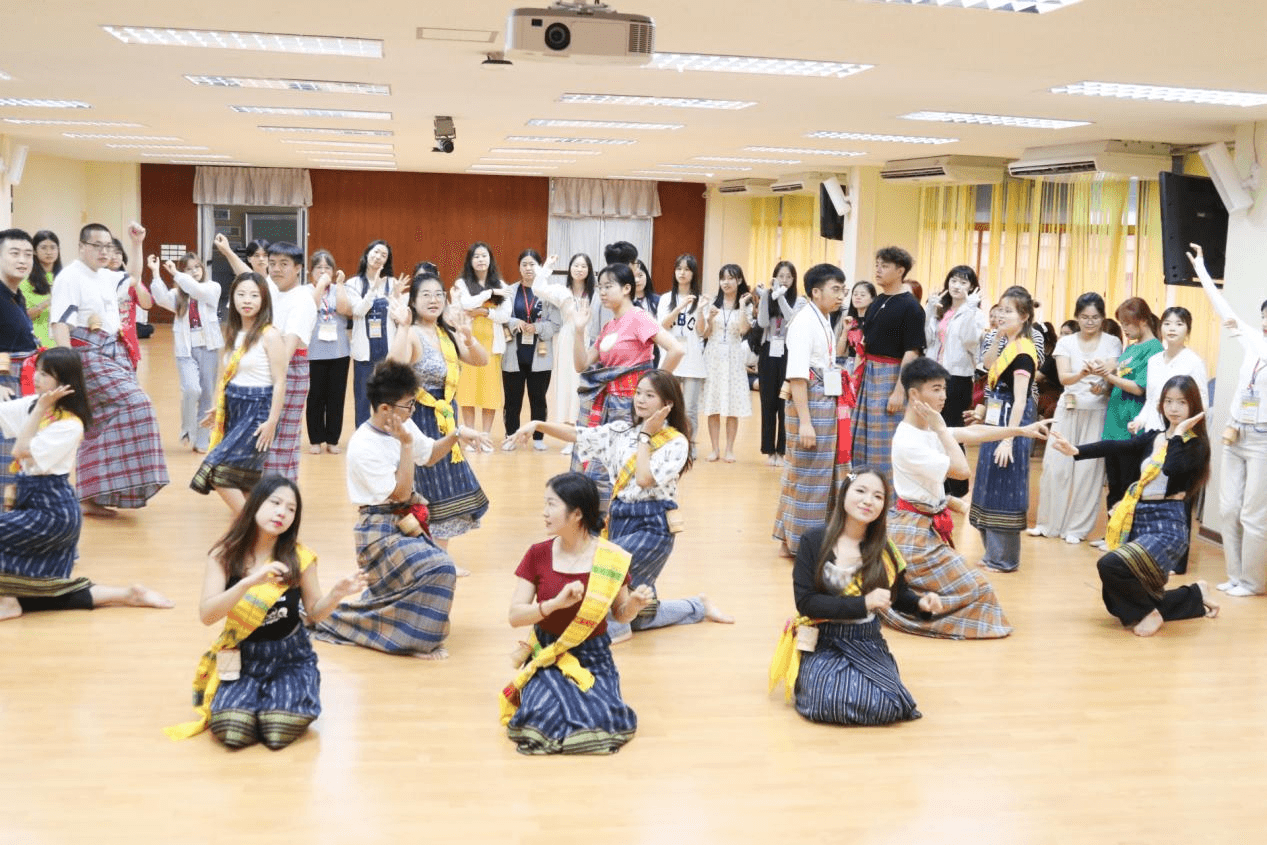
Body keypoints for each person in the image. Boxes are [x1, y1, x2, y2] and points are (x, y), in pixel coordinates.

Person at [507, 368, 732, 642]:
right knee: (639, 614)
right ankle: (698, 606)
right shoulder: (621, 431)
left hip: (653, 526)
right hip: (620, 519)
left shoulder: (676, 441)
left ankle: (610, 632)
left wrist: (646, 436)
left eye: (650, 395)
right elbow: (578, 434)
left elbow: (644, 478)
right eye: (638, 393)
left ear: (667, 404)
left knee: (603, 569)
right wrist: (538, 425)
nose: (640, 400)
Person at [165, 476, 367, 749]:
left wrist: (336, 594)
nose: (282, 512)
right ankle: (253, 703)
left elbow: (314, 613)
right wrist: (248, 583)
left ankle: (274, 703)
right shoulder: (223, 555)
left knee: (278, 730)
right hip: (242, 655)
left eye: (291, 509)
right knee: (232, 731)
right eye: (275, 503)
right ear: (256, 504)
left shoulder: (300, 557)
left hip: (290, 657)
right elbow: (207, 615)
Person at [315, 361, 488, 658]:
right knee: (440, 566)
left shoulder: (403, 425)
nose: (413, 411)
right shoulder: (363, 445)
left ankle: (409, 634)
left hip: (404, 523)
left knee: (437, 567)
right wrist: (406, 446)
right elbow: (401, 494)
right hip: (377, 533)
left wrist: (456, 434)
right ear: (385, 409)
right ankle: (412, 638)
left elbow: (430, 455)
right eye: (408, 405)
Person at [0, 348, 172, 621]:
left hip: (52, 512)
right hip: (30, 502)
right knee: (41, 593)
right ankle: (129, 594)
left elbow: (20, 450)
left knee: (35, 590)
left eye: (46, 374)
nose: (38, 378)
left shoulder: (69, 425)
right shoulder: (34, 405)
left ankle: (8, 602)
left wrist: (40, 409)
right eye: (39, 371)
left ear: (64, 382)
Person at [884, 357, 1048, 638]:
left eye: (944, 389)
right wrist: (941, 429)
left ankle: (909, 603)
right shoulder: (910, 440)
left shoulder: (924, 430)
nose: (944, 396)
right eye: (936, 389)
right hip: (913, 536)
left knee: (974, 589)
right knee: (980, 590)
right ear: (914, 394)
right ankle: (905, 610)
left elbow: (972, 432)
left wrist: (1020, 430)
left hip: (922, 528)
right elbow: (962, 471)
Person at [1048, 376, 1217, 636]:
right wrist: (1076, 450)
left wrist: (1178, 435)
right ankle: (1193, 595)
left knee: (1111, 566)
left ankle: (1150, 614)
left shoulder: (1195, 443)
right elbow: (1118, 446)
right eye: (1168, 401)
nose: (1173, 408)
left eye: (1182, 402)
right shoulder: (1154, 437)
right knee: (1115, 600)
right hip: (1140, 521)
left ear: (1193, 405)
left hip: (1168, 527)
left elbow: (1171, 468)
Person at [769, 470, 941, 725]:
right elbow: (807, 603)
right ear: (844, 494)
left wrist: (921, 604)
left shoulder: (884, 548)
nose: (868, 500)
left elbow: (897, 595)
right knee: (826, 701)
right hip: (823, 639)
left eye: (878, 496)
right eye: (860, 491)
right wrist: (864, 603)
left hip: (866, 639)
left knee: (888, 704)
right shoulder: (814, 541)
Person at [500, 472, 652, 755]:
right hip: (548, 653)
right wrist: (554, 604)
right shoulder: (538, 554)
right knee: (541, 715)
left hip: (593, 656)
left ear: (577, 513)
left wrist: (633, 606)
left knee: (601, 717)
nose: (544, 512)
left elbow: (621, 615)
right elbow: (515, 616)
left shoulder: (611, 558)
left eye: (551, 504)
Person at [50, 222, 169, 515]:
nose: (104, 252)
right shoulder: (69, 277)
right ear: (81, 247)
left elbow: (134, 278)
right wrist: (67, 367)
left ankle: (91, 495)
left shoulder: (106, 275)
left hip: (114, 350)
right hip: (87, 354)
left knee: (99, 423)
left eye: (108, 246)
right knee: (137, 404)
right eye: (97, 246)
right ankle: (98, 490)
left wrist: (137, 243)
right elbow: (60, 323)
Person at [387, 271, 491, 558]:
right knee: (424, 491)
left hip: (446, 419)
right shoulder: (413, 333)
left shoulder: (446, 334)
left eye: (437, 294)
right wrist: (402, 327)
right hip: (418, 421)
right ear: (412, 301)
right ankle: (425, 558)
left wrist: (468, 337)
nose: (433, 300)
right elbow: (393, 368)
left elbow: (481, 360)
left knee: (447, 490)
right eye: (425, 295)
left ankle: (437, 558)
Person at [1187, 245, 1267, 598]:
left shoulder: (1257, 345)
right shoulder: (1254, 343)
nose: (1264, 323)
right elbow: (1224, 309)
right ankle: (1235, 576)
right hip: (1236, 433)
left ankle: (1252, 581)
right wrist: (1202, 270)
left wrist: (1246, 333)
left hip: (1263, 440)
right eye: (1263, 317)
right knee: (1228, 508)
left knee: (1253, 514)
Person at [571, 263, 683, 508]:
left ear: (626, 288)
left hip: (632, 408)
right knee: (600, 468)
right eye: (600, 287)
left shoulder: (638, 318)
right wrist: (579, 330)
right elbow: (581, 364)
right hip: (608, 405)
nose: (602, 292)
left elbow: (676, 349)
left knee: (624, 468)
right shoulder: (609, 326)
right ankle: (601, 521)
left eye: (608, 286)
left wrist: (655, 388)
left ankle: (621, 520)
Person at [191, 272, 287, 513]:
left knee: (218, 472)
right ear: (232, 298)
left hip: (259, 411)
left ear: (264, 300)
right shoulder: (233, 332)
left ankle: (249, 525)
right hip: (235, 408)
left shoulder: (270, 334)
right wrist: (220, 407)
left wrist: (272, 421)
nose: (247, 300)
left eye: (254, 295)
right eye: (241, 294)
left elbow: (280, 381)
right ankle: (262, 528)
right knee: (246, 481)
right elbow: (231, 375)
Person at [1032, 292, 1123, 544]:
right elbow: (1064, 378)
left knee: (1088, 472)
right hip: (1068, 408)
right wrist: (1082, 373)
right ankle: (1047, 524)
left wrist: (1103, 383)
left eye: (1095, 317)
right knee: (1055, 467)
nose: (1090, 322)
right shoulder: (1066, 343)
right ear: (1077, 317)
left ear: (1103, 318)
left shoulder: (1113, 342)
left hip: (1097, 410)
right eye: (1084, 317)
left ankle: (1077, 529)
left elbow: (1112, 372)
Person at [773, 264, 848, 557]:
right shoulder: (804, 321)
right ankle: (802, 545)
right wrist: (805, 422)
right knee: (808, 476)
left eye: (843, 290)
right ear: (816, 292)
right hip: (810, 404)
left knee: (813, 474)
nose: (841, 296)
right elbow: (797, 376)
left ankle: (791, 540)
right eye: (835, 289)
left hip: (823, 400)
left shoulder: (824, 317)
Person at [968, 287, 1039, 573]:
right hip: (997, 416)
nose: (1002, 315)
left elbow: (1021, 399)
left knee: (1006, 484)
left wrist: (1009, 439)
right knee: (989, 479)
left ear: (1024, 316)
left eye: (1009, 311)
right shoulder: (1008, 344)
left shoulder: (1023, 352)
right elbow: (988, 366)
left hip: (1012, 419)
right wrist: (997, 335)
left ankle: (1004, 559)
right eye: (1000, 309)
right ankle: (991, 554)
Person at [851, 246, 925, 480]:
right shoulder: (878, 301)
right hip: (868, 374)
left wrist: (899, 391)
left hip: (891, 376)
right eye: (877, 265)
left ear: (900, 271)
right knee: (860, 437)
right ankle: (860, 487)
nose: (878, 270)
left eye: (884, 266)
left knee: (883, 442)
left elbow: (912, 351)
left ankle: (887, 496)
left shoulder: (911, 306)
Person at [1091, 298, 1162, 525]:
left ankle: (1123, 535)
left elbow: (1139, 388)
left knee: (1127, 484)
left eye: (1127, 323)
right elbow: (1120, 380)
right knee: (1114, 484)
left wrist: (1108, 376)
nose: (1124, 329)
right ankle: (1111, 533)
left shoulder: (1155, 349)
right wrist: (1103, 386)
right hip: (1114, 422)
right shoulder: (1131, 348)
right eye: (1122, 324)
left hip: (1131, 425)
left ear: (1142, 321)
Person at [147, 252, 223, 453]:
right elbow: (160, 298)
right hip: (185, 350)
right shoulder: (177, 294)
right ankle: (188, 429)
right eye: (188, 269)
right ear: (183, 271)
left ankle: (202, 439)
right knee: (191, 389)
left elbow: (197, 290)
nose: (194, 272)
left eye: (197, 267)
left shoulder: (212, 288)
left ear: (202, 268)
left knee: (207, 395)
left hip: (209, 348)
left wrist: (178, 275)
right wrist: (156, 273)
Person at [924, 265, 987, 497]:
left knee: (951, 430)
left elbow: (971, 341)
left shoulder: (976, 313)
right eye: (953, 280)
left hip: (958, 378)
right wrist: (929, 312)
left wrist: (969, 309)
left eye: (963, 282)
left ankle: (957, 486)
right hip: (934, 374)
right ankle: (936, 481)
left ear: (972, 287)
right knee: (932, 429)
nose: (957, 286)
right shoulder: (942, 309)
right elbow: (928, 340)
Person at [496, 249, 561, 452]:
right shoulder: (510, 291)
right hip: (513, 354)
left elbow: (556, 324)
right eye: (524, 264)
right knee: (512, 401)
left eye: (532, 264)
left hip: (540, 354)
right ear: (519, 267)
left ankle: (539, 438)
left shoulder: (549, 293)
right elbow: (501, 318)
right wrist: (515, 322)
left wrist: (537, 328)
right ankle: (510, 436)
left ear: (540, 267)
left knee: (538, 400)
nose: (528, 268)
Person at [451, 241, 507, 444]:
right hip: (468, 344)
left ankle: (486, 437)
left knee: (489, 394)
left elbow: (505, 315)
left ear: (490, 259)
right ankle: (471, 437)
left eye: (484, 255)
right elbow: (465, 304)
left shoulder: (502, 285)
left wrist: (483, 312)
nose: (481, 259)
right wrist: (488, 294)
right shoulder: (462, 284)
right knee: (467, 392)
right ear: (470, 260)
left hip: (492, 346)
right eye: (476, 256)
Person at [699, 263, 755, 463]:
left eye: (731, 278)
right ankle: (715, 449)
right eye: (723, 278)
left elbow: (743, 330)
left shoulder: (746, 304)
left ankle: (729, 449)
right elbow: (704, 334)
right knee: (712, 404)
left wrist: (742, 306)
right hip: (713, 356)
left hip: (733, 356)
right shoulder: (713, 303)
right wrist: (708, 319)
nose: (726, 282)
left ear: (739, 280)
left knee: (733, 406)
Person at [0, 229, 41, 498]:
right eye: (14, 253)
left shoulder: (16, 295)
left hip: (21, 379)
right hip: (4, 383)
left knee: (18, 454)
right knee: (6, 454)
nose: (23, 260)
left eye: (28, 254)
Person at [1130, 307, 1209, 434]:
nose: (1172, 328)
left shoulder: (1194, 362)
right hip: (1152, 431)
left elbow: (1202, 403)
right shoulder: (1153, 361)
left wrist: (1186, 431)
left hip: (1178, 433)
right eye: (1167, 324)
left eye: (1179, 324)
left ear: (1188, 330)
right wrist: (1139, 421)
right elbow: (1151, 399)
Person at [656, 254, 706, 457]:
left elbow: (702, 332)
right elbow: (664, 325)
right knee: (667, 406)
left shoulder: (701, 299)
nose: (682, 273)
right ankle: (668, 443)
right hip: (671, 360)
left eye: (687, 269)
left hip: (693, 361)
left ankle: (689, 445)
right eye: (679, 269)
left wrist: (700, 311)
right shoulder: (665, 298)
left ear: (694, 274)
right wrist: (680, 307)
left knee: (691, 409)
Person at [346, 239, 397, 428]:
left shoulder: (392, 283)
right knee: (362, 397)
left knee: (388, 397)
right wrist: (373, 288)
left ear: (386, 261)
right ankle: (362, 435)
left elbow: (398, 316)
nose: (378, 257)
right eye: (375, 252)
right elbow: (359, 311)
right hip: (364, 351)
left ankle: (388, 434)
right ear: (367, 254)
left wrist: (397, 297)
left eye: (383, 255)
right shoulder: (353, 283)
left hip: (388, 350)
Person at [305, 249, 351, 455]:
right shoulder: (307, 290)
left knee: (336, 398)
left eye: (327, 268)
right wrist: (320, 285)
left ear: (333, 271)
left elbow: (343, 309)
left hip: (339, 352)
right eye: (319, 268)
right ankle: (315, 439)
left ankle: (333, 439)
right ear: (311, 272)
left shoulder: (340, 289)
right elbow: (310, 307)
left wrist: (338, 285)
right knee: (315, 397)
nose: (323, 271)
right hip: (314, 352)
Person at [550, 253, 595, 451]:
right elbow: (538, 288)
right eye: (576, 265)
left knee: (583, 389)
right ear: (569, 268)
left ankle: (584, 436)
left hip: (589, 341)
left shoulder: (595, 294)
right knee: (567, 388)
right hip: (567, 341)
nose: (579, 269)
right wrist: (548, 266)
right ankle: (570, 438)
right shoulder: (562, 291)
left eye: (583, 266)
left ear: (589, 270)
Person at [754, 261, 798, 466]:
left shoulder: (799, 300)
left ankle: (782, 450)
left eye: (788, 276)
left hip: (788, 354)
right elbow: (763, 322)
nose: (784, 280)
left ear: (794, 279)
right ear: (775, 278)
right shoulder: (767, 297)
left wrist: (780, 296)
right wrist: (766, 296)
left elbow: (791, 319)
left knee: (784, 403)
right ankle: (769, 450)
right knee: (768, 402)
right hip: (768, 352)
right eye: (781, 276)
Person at [20, 229, 59, 348]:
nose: (49, 252)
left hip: (61, 342)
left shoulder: (65, 278)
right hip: (37, 342)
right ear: (34, 251)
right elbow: (22, 316)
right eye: (43, 248)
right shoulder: (26, 281)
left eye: (53, 247)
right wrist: (47, 303)